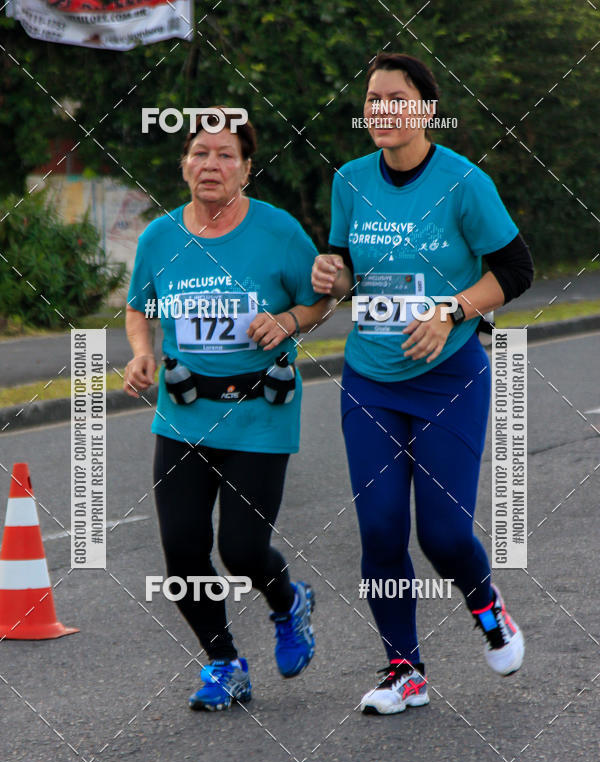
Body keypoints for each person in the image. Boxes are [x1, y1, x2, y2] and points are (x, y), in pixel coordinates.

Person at [312, 53, 534, 715]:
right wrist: (331, 277)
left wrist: (451, 311)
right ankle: (403, 670)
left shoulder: (463, 182)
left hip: (449, 381)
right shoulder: (350, 181)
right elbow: (346, 269)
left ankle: (487, 606)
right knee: (381, 529)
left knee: (442, 535)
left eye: (396, 98)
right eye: (372, 99)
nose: (382, 109)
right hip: (370, 379)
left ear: (427, 110)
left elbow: (515, 269)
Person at [124, 110, 333, 711]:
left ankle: (288, 602)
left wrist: (288, 320)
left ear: (246, 169)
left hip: (259, 415)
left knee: (241, 551)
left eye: (225, 155)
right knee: (183, 552)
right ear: (184, 164)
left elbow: (322, 299)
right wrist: (142, 353)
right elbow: (140, 306)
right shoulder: (159, 237)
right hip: (184, 414)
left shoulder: (279, 231)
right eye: (200, 153)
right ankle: (224, 663)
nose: (210, 164)